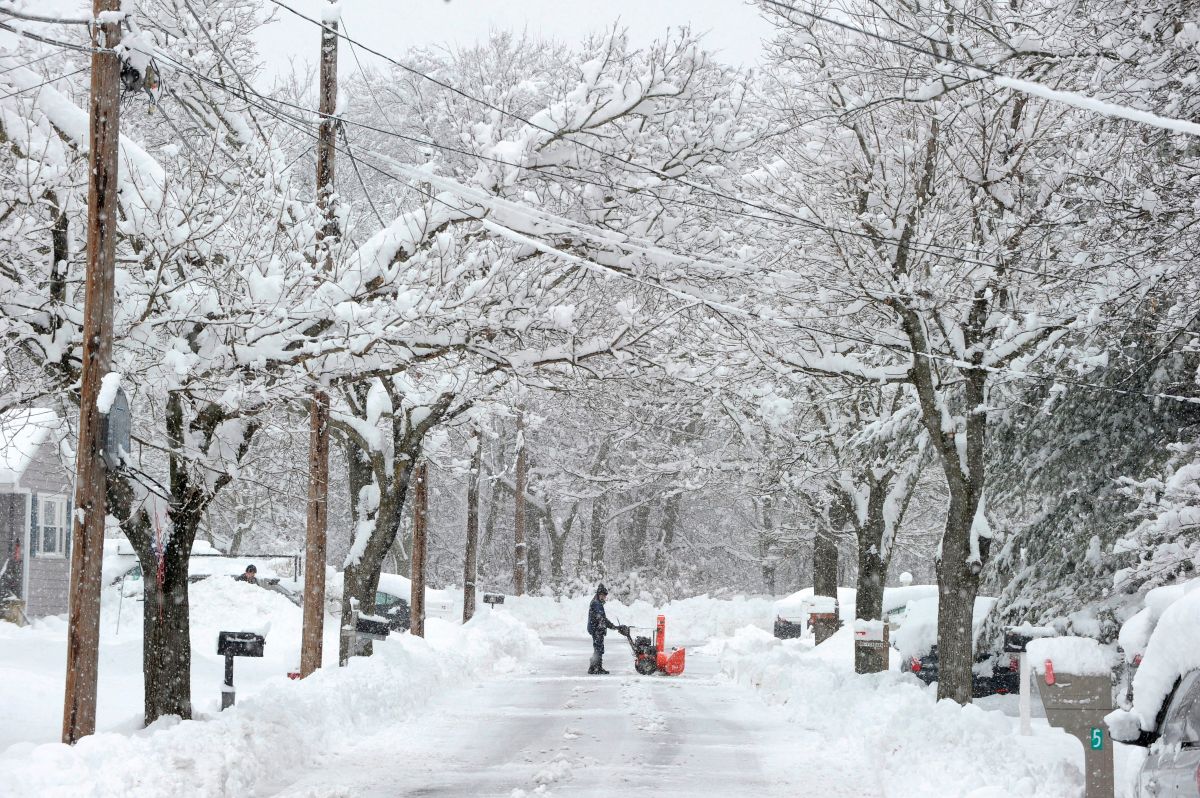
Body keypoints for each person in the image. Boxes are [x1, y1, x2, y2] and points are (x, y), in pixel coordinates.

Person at [586, 584, 626, 675]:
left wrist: (613, 626)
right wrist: (613, 627)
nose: (604, 597)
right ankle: (597, 668)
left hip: (596, 628)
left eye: (605, 596)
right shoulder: (596, 603)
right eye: (603, 595)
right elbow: (602, 619)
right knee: (599, 648)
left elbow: (602, 619)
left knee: (597, 648)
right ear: (599, 594)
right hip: (596, 629)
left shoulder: (597, 602)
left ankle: (593, 667)